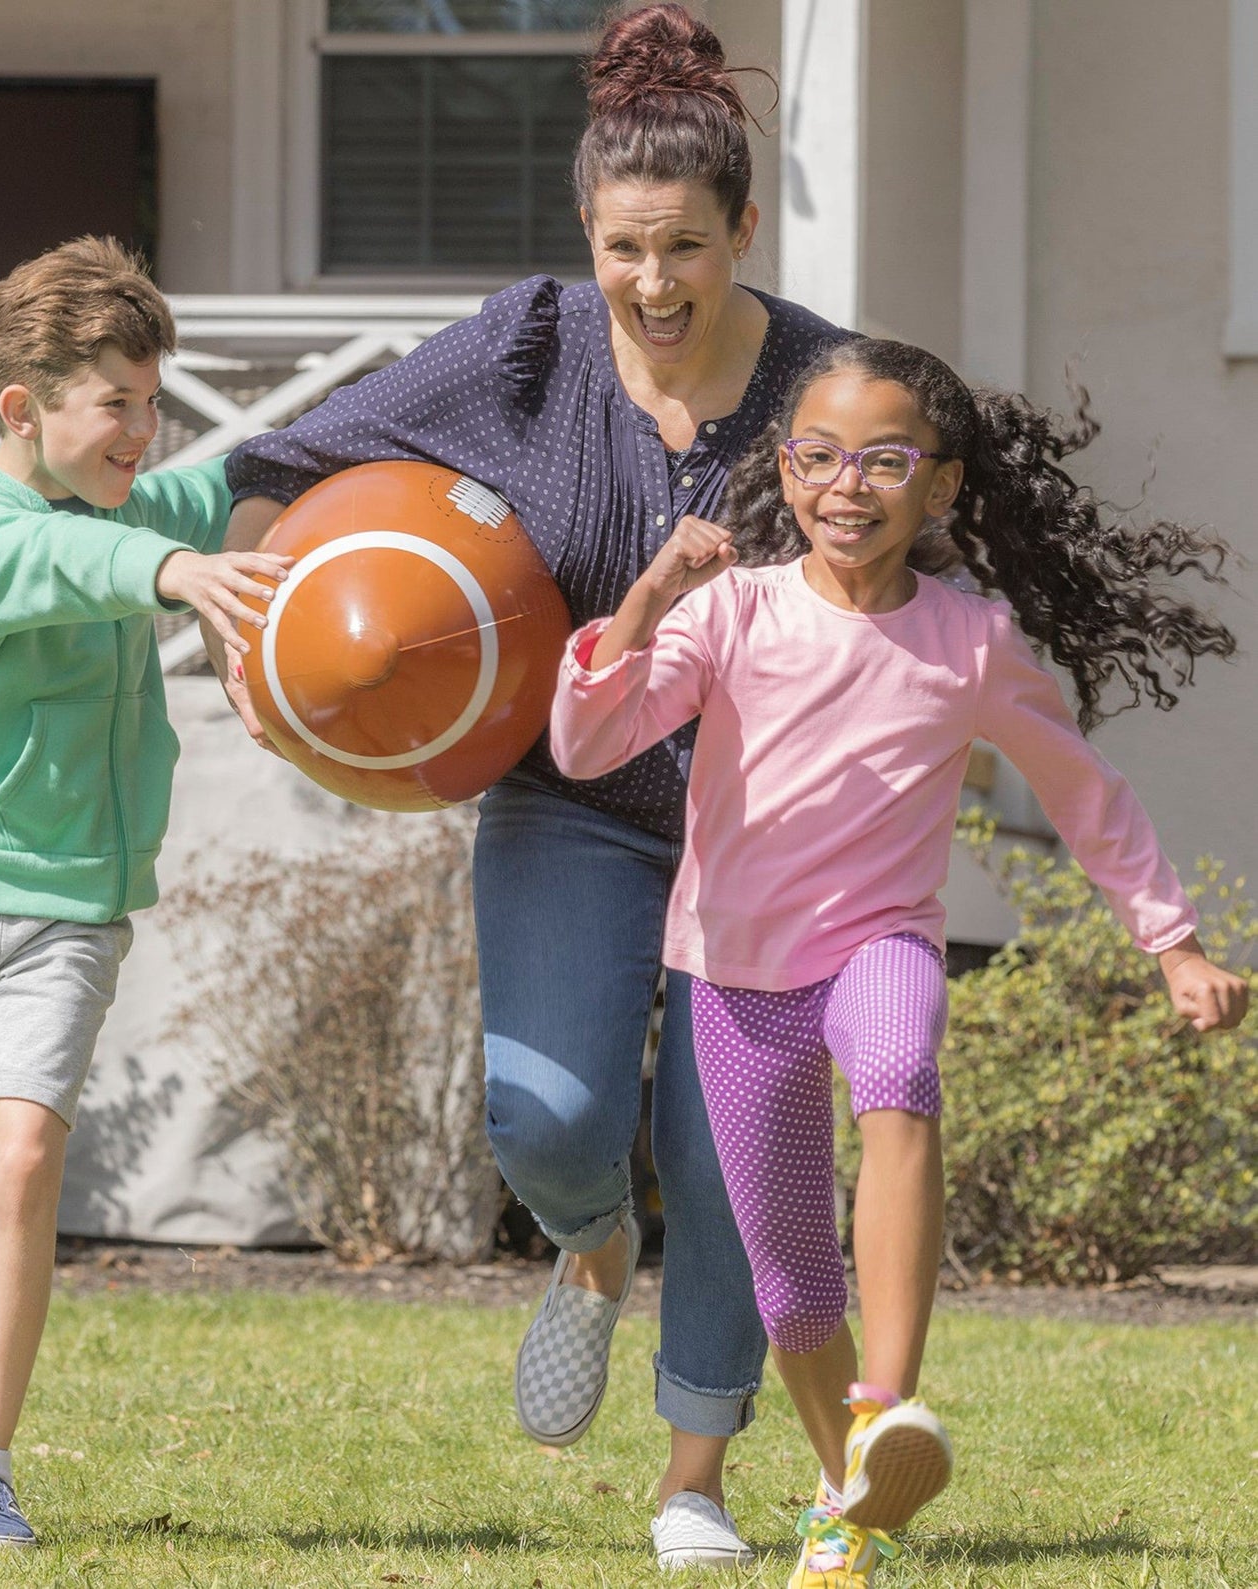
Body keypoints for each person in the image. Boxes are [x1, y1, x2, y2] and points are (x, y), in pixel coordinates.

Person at [215, 2, 850, 1566]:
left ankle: (692, 1480)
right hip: (572, 792)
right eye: (626, 246)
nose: (653, 283)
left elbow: (928, 573)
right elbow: (289, 465)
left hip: (762, 833)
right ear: (588, 229)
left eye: (687, 248)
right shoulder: (531, 339)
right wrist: (260, 634)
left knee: (732, 1162)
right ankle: (586, 1242)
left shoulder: (831, 387)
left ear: (742, 230)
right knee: (549, 1119)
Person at [548, 334, 1250, 1586]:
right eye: (817, 457)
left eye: (882, 461)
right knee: (786, 1274)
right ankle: (845, 1492)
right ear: (784, 468)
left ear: (937, 487)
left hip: (881, 940)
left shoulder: (967, 641)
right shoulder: (732, 612)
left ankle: (885, 1404)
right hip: (733, 967)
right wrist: (648, 596)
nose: (845, 485)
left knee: (896, 1076)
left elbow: (1082, 792)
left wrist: (1171, 941)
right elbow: (589, 740)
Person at [0, 236, 291, 1555]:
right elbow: (36, 566)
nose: (146, 433)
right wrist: (175, 573)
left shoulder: (136, 497)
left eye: (156, 402)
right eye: (117, 404)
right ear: (25, 410)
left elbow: (257, 473)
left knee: (24, 1153)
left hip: (66, 897)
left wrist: (448, 387)